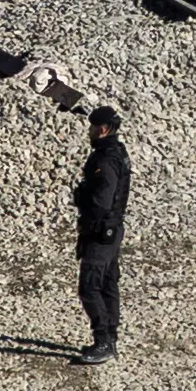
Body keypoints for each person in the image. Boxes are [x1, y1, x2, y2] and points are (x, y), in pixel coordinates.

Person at [70, 102, 130, 364]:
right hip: (112, 229)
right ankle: (110, 339)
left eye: (93, 128)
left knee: (90, 288)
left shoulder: (105, 159)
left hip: (100, 232)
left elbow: (101, 201)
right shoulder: (118, 152)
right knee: (107, 284)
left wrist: (84, 207)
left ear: (103, 129)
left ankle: (103, 342)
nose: (90, 132)